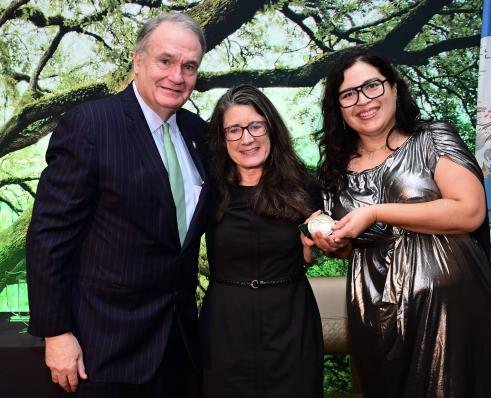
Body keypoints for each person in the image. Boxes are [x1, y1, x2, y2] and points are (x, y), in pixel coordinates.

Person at [26, 13, 209, 397]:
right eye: (166, 61)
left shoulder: (198, 133)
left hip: (181, 350)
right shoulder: (90, 125)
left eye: (189, 66)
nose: (177, 76)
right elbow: (48, 236)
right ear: (138, 60)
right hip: (104, 352)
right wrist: (56, 332)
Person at [305, 48, 491, 397]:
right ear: (338, 107)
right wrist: (336, 243)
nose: (363, 100)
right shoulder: (333, 172)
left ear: (393, 87)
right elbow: (350, 248)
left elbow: (469, 212)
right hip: (373, 311)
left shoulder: (432, 138)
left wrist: (376, 212)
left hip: (449, 310)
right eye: (348, 94)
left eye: (372, 86)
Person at [199, 84, 324, 398]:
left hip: (290, 323)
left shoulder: (303, 184)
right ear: (221, 137)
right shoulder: (208, 190)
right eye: (234, 130)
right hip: (225, 326)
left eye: (255, 125)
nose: (247, 138)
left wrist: (312, 247)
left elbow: (311, 255)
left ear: (271, 127)